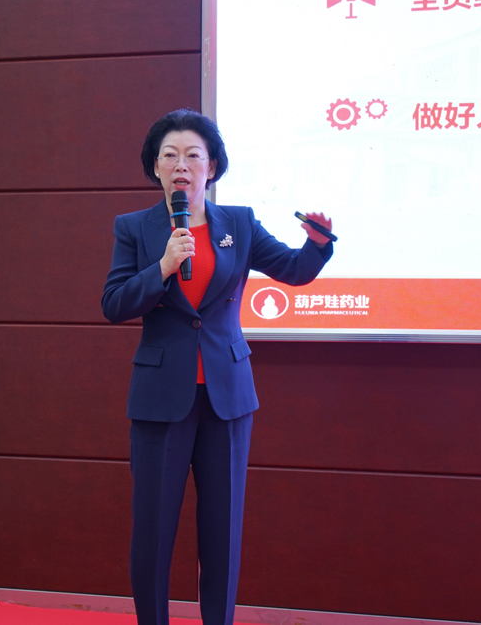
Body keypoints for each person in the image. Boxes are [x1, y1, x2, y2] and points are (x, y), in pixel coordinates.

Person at [102, 109, 333, 625]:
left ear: (212, 167)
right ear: (155, 167)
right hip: (161, 398)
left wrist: (318, 245)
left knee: (222, 531)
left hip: (226, 396)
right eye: (169, 155)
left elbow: (292, 269)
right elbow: (114, 303)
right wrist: (162, 267)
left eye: (193, 155)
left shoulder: (240, 223)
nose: (180, 165)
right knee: (153, 530)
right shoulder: (135, 227)